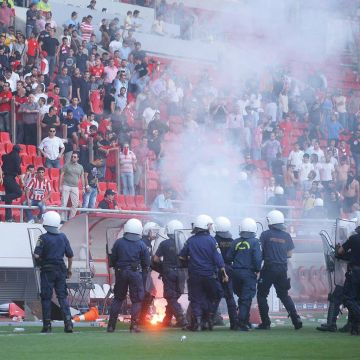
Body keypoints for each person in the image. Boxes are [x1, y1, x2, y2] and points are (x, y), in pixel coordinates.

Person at [179, 214, 228, 331]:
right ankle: (209, 318)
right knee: (216, 295)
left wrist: (188, 264)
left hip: (194, 275)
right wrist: (224, 274)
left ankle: (198, 322)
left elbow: (181, 257)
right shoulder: (212, 240)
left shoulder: (190, 241)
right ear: (205, 226)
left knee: (196, 299)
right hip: (209, 275)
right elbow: (219, 259)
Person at [256, 210, 302, 330]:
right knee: (284, 295)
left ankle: (265, 323)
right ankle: (296, 319)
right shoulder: (286, 235)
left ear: (270, 222)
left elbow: (260, 251)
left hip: (268, 268)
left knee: (261, 295)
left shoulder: (265, 234)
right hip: (282, 269)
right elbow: (290, 254)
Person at [107, 219, 150, 333]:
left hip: (121, 273)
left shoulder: (118, 242)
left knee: (118, 298)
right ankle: (134, 326)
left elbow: (112, 260)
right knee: (136, 300)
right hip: (135, 273)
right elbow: (146, 264)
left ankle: (111, 326)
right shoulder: (142, 244)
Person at [33, 211, 74, 333]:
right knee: (62, 297)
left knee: (46, 298)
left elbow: (36, 255)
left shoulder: (43, 238)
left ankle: (47, 325)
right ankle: (68, 324)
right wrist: (69, 270)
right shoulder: (63, 237)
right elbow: (70, 255)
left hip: (47, 270)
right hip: (61, 270)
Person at [227, 217, 262, 331]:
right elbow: (257, 259)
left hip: (236, 272)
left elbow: (228, 257)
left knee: (242, 298)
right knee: (246, 299)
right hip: (248, 273)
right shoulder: (255, 242)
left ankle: (245, 321)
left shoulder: (235, 241)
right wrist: (257, 270)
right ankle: (241, 323)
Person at [153, 220, 187, 328]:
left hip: (169, 273)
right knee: (174, 297)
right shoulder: (184, 243)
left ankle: (181, 317)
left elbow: (156, 259)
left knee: (170, 297)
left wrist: (163, 265)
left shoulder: (164, 243)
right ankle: (166, 320)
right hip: (182, 273)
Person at [213, 216, 238, 330]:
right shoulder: (233, 241)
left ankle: (209, 321)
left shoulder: (213, 240)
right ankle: (234, 322)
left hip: (217, 270)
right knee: (229, 297)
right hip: (229, 269)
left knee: (214, 297)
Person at [337, 220, 360, 335]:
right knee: (358, 300)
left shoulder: (353, 238)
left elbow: (340, 251)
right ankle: (355, 328)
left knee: (348, 298)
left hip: (355, 272)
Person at [139, 222, 159, 325]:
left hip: (145, 272)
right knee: (147, 294)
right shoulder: (145, 243)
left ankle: (142, 316)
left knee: (150, 293)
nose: (155, 233)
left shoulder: (146, 242)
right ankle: (141, 317)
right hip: (143, 273)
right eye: (153, 231)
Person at [59, 152, 84, 220]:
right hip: (66, 185)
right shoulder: (66, 165)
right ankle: (62, 219)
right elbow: (61, 175)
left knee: (75, 204)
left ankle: (71, 219)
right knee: (64, 202)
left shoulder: (80, 167)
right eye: (72, 156)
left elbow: (82, 177)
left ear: (78, 158)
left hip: (75, 187)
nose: (73, 158)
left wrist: (83, 187)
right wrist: (60, 186)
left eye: (75, 157)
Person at [0, 144, 22, 222]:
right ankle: (1, 198)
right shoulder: (17, 157)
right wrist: (20, 176)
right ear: (18, 150)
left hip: (5, 178)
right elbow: (17, 168)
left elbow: (3, 159)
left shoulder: (6, 156)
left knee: (8, 199)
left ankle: (8, 218)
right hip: (10, 178)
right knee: (19, 193)